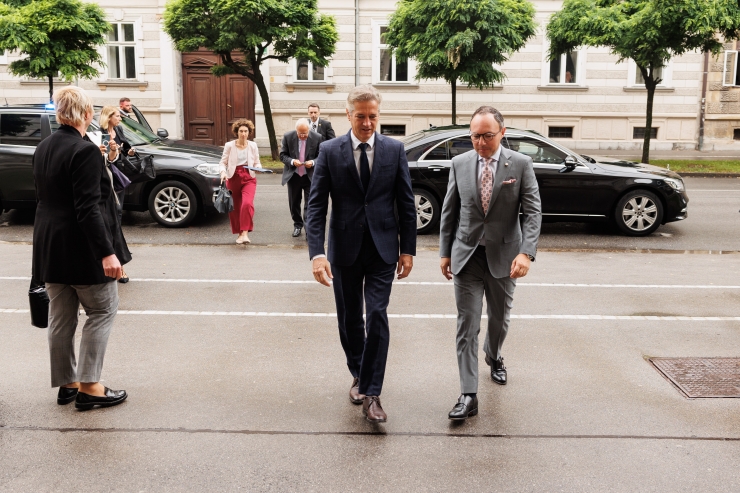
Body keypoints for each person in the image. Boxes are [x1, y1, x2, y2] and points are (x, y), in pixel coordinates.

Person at [306, 85, 416, 423]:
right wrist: (317, 253)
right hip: (344, 249)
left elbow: (406, 203)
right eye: (361, 117)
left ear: (378, 115)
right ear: (348, 115)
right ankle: (358, 370)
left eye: (373, 117)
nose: (367, 123)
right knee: (350, 319)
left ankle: (371, 392)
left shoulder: (394, 150)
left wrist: (408, 249)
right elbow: (315, 206)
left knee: (378, 315)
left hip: (383, 249)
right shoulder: (329, 150)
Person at [439, 106, 541, 421]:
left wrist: (526, 252)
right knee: (466, 325)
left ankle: (494, 356)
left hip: (505, 257)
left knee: (499, 319)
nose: (480, 142)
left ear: (502, 133)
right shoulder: (459, 163)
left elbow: (533, 211)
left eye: (487, 136)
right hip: (466, 255)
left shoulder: (521, 164)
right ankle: (468, 394)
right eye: (475, 136)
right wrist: (445, 252)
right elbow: (449, 211)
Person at [32, 86, 131, 410]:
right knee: (102, 311)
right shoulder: (85, 150)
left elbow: (46, 200)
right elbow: (87, 208)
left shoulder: (44, 146)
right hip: (82, 247)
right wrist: (107, 252)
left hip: (50, 244)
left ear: (60, 113)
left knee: (61, 318)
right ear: (86, 114)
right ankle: (90, 387)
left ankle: (67, 383)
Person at [99, 105, 137, 283]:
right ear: (108, 117)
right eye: (117, 115)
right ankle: (113, 266)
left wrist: (125, 151)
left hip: (118, 176)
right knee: (107, 220)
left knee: (117, 215)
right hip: (104, 179)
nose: (120, 118)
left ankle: (119, 266)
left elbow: (123, 150)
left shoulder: (119, 130)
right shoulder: (98, 133)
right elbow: (102, 158)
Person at [219, 119, 262, 244]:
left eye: (246, 131)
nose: (243, 134)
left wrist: (258, 167)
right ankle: (239, 234)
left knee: (247, 204)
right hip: (233, 178)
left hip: (249, 178)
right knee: (235, 208)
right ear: (237, 132)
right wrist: (223, 172)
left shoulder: (253, 145)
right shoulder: (229, 146)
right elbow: (223, 162)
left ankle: (245, 233)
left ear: (249, 132)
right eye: (241, 131)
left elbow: (257, 161)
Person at [279, 118, 321, 237]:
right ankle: (297, 225)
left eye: (305, 133)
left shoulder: (317, 137)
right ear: (296, 130)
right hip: (294, 176)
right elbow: (282, 155)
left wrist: (312, 162)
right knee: (294, 203)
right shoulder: (288, 136)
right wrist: (292, 161)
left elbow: (321, 156)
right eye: (300, 133)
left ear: (309, 130)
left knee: (310, 204)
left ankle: (308, 230)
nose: (303, 136)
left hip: (309, 176)